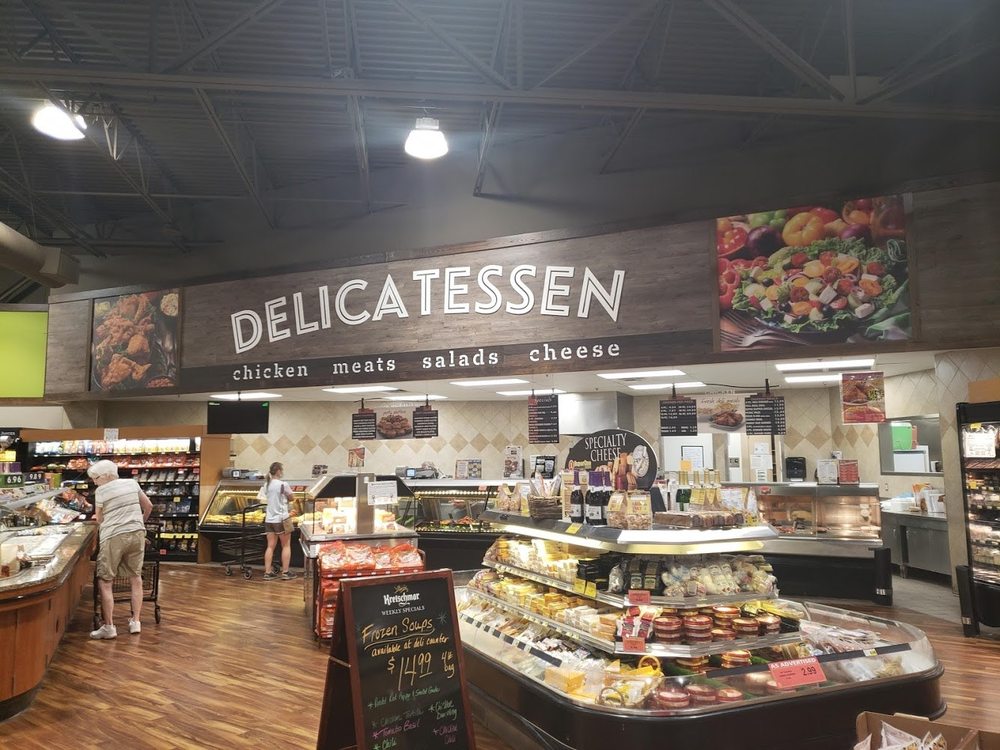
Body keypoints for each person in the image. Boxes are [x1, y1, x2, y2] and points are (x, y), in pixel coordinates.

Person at [87, 459, 153, 639]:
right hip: (137, 533)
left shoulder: (101, 491)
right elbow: (148, 506)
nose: (95, 482)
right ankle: (136, 622)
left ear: (107, 475)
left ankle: (109, 627)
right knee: (136, 578)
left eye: (96, 478)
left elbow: (99, 518)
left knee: (105, 581)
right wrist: (139, 522)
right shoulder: (132, 483)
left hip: (113, 536)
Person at [262, 462, 295, 580]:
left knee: (270, 546)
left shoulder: (266, 484)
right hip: (282, 519)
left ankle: (267, 572)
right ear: (279, 471)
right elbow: (292, 498)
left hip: (269, 519)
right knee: (286, 545)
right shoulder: (283, 484)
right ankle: (285, 572)